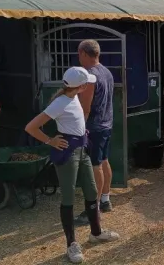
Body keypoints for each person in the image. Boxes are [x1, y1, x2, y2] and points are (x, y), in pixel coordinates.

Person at [24, 67, 118, 263]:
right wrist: (50, 140)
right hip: (68, 152)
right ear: (81, 86)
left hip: (82, 149)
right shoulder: (60, 102)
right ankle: (71, 244)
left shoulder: (73, 97)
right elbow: (31, 127)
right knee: (68, 197)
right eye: (87, 83)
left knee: (92, 192)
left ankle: (96, 232)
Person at [75, 40, 114, 225]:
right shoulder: (106, 71)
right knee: (104, 160)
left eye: (78, 53)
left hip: (95, 126)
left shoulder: (90, 75)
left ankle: (94, 206)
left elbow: (85, 106)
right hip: (107, 123)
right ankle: (105, 199)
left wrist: (79, 126)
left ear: (84, 53)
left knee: (95, 165)